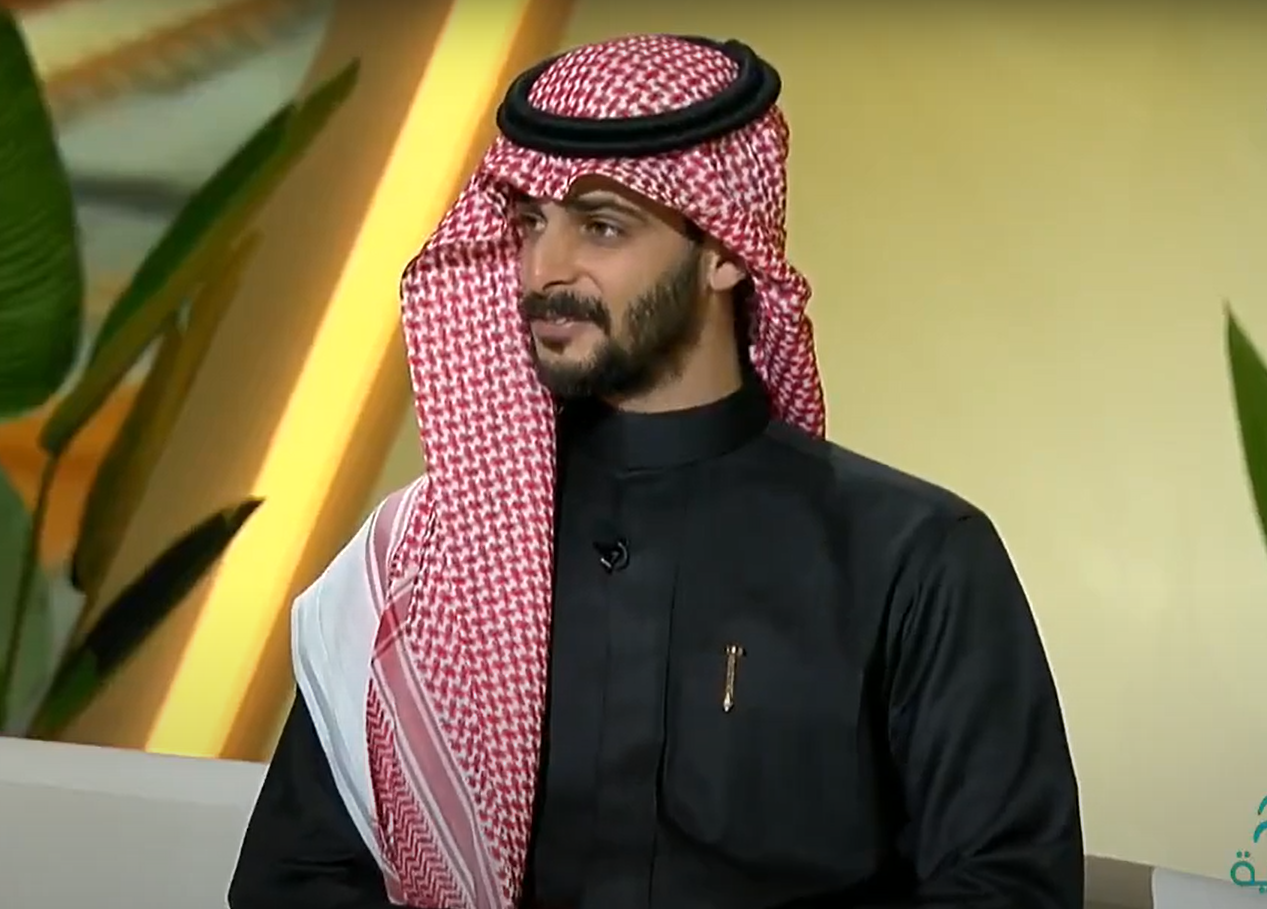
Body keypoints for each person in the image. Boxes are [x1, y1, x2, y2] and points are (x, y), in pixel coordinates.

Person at [229, 33, 1084, 909]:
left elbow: (1008, 886)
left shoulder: (914, 558)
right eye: (529, 222)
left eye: (601, 226)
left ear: (724, 251)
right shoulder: (431, 558)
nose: (543, 269)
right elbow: (293, 879)